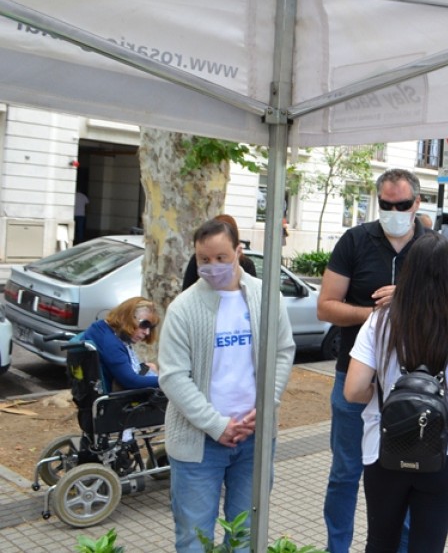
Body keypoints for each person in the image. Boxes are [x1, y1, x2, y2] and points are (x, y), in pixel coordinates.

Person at [343, 232, 448, 553]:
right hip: (446, 451)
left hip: (384, 446)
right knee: (428, 546)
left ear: (407, 273)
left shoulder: (380, 322)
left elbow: (353, 390)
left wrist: (381, 393)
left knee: (381, 542)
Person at [159, 218, 296, 552]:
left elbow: (282, 352)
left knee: (247, 536)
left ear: (238, 251)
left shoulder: (267, 298)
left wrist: (265, 408)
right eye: (204, 260)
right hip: (199, 445)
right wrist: (216, 425)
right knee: (194, 538)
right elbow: (173, 376)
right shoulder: (183, 309)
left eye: (221, 257)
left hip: (255, 440)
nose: (212, 266)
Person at [317, 168, 429, 553]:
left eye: (401, 204)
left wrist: (408, 301)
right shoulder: (355, 241)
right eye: (386, 204)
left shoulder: (433, 247)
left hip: (415, 385)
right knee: (346, 473)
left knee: (406, 476)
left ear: (417, 203)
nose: (393, 211)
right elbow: (325, 306)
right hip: (354, 379)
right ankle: (338, 548)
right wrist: (376, 315)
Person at [83, 296, 160, 394]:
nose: (147, 332)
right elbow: (131, 382)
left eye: (150, 327)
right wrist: (167, 381)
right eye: (144, 325)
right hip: (114, 400)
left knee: (151, 367)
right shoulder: (110, 343)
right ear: (127, 317)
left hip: (110, 383)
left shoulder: (101, 327)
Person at [182, 214, 256, 291]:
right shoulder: (196, 260)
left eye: (220, 258)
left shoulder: (247, 265)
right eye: (205, 260)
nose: (213, 269)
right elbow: (187, 288)